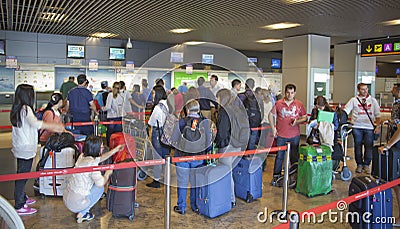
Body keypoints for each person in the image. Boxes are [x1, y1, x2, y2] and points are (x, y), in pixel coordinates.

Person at [10, 84, 65, 215]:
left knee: (21, 173)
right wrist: (53, 126)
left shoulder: (17, 108)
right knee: (23, 175)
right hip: (26, 147)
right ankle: (19, 205)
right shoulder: (26, 109)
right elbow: (35, 123)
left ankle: (22, 197)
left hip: (19, 146)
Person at [63, 136, 124, 223]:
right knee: (100, 188)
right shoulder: (92, 164)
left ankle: (81, 208)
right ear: (96, 149)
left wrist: (115, 150)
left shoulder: (82, 156)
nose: (103, 148)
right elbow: (101, 183)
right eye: (102, 147)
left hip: (67, 198)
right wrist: (108, 172)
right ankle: (83, 213)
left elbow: (99, 158)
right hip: (75, 204)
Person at [173, 100, 211, 215]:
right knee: (195, 182)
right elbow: (209, 141)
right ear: (199, 110)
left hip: (182, 157)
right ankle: (195, 206)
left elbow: (174, 139)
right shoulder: (204, 122)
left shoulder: (181, 122)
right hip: (199, 157)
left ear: (187, 110)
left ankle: (182, 207)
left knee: (182, 182)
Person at [269, 83, 308, 186]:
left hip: (294, 135)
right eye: (288, 92)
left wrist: (297, 121)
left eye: (292, 93)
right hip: (281, 135)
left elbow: (305, 117)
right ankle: (276, 176)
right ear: (285, 92)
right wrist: (273, 129)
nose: (290, 95)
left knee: (294, 157)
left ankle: (293, 176)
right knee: (279, 157)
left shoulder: (299, 104)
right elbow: (271, 115)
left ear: (294, 93)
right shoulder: (278, 103)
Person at [344, 83, 381, 174]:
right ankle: (359, 164)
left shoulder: (372, 100)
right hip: (357, 127)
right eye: (362, 89)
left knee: (369, 146)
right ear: (358, 90)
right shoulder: (354, 100)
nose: (365, 91)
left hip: (369, 127)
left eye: (366, 89)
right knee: (358, 145)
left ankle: (367, 164)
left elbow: (377, 115)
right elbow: (346, 110)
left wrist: (378, 126)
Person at [215, 88, 242, 207]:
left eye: (217, 97)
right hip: (238, 146)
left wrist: (216, 144)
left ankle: (230, 199)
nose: (216, 100)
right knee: (230, 172)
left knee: (226, 173)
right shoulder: (236, 109)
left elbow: (222, 133)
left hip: (227, 147)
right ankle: (231, 197)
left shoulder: (223, 111)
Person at [378, 83, 400, 225]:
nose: (391, 90)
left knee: (397, 181)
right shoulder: (396, 104)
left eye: (393, 88)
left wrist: (388, 145)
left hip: (398, 146)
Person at [146, 85, 171, 188]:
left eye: (153, 93)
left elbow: (150, 122)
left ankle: (156, 179)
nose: (152, 95)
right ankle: (166, 177)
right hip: (167, 133)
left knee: (157, 156)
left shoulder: (157, 107)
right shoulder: (168, 104)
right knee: (166, 156)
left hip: (158, 133)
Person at [238, 78, 262, 150]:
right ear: (254, 85)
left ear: (245, 85)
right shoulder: (258, 96)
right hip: (255, 120)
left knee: (243, 136)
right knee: (253, 136)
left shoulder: (241, 96)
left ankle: (242, 153)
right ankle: (250, 153)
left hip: (244, 120)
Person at [102, 82, 124, 146]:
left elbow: (108, 107)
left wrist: (102, 108)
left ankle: (110, 147)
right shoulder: (121, 96)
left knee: (110, 134)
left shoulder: (110, 95)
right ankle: (117, 147)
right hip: (119, 117)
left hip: (111, 117)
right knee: (118, 134)